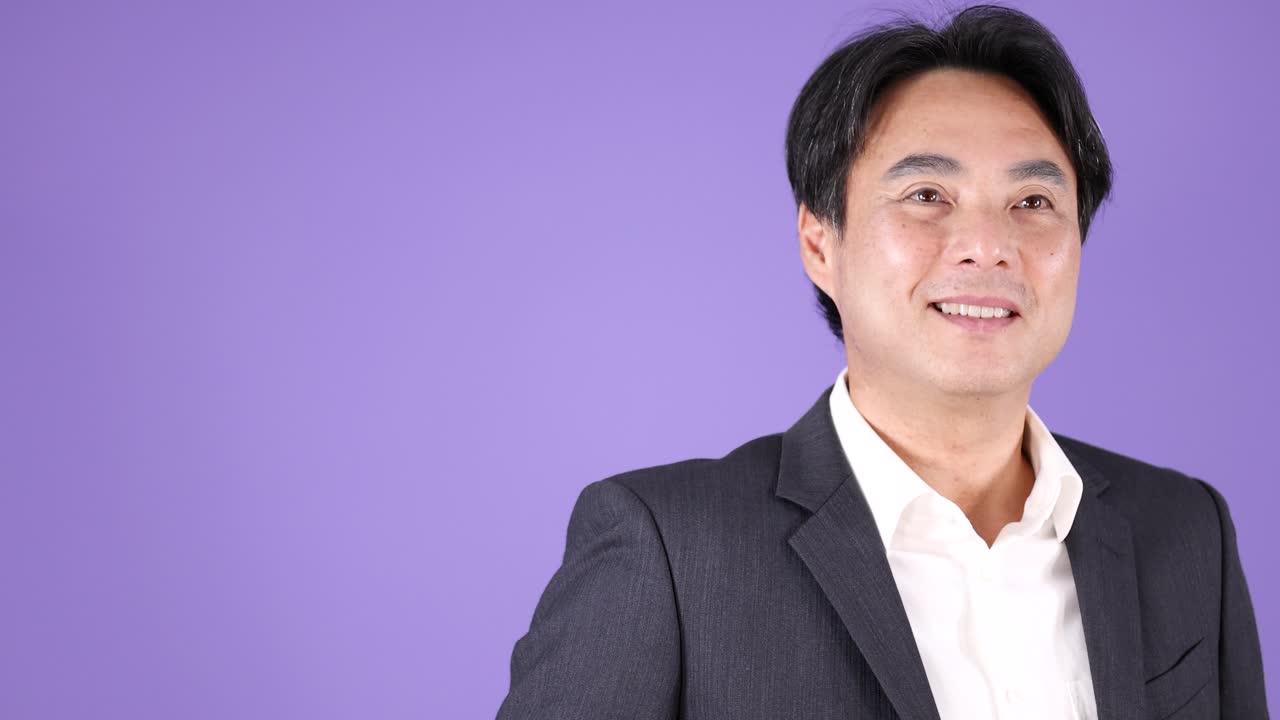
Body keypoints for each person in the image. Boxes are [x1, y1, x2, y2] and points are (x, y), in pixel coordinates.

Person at [495, 5, 1268, 719]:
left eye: (1033, 203)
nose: (988, 246)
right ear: (819, 243)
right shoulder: (670, 550)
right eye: (927, 194)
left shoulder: (1185, 529)